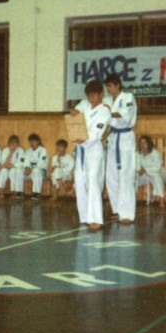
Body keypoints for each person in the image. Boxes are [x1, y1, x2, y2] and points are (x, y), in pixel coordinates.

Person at [72, 79, 112, 231]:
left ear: (101, 94)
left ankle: (96, 219)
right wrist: (74, 114)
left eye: (94, 94)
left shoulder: (105, 111)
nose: (91, 97)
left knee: (94, 182)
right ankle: (84, 217)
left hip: (93, 148)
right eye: (89, 94)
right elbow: (74, 112)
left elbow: (96, 133)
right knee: (80, 182)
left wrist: (84, 138)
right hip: (80, 149)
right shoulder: (84, 104)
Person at [103, 73, 138, 225]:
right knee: (111, 177)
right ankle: (117, 210)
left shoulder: (128, 97)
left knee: (126, 176)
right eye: (107, 87)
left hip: (125, 138)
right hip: (112, 138)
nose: (108, 89)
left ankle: (127, 214)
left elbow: (125, 116)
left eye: (110, 86)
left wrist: (107, 112)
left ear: (118, 85)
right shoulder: (107, 100)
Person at [136, 135, 166, 208]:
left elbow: (157, 168)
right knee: (134, 177)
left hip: (161, 174)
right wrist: (139, 170)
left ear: (148, 144)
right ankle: (131, 199)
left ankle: (162, 200)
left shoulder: (155, 153)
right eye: (141, 143)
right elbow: (137, 166)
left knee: (156, 176)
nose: (142, 145)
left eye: (144, 143)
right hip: (146, 174)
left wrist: (145, 170)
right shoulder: (138, 154)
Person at [23, 133, 49, 200]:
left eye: (34, 141)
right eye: (30, 141)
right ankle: (19, 192)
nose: (32, 143)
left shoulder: (43, 150)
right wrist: (27, 169)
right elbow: (26, 162)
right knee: (19, 171)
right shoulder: (28, 151)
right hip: (30, 172)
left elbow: (41, 163)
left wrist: (31, 169)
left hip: (41, 172)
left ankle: (36, 193)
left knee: (36, 170)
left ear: (38, 141)